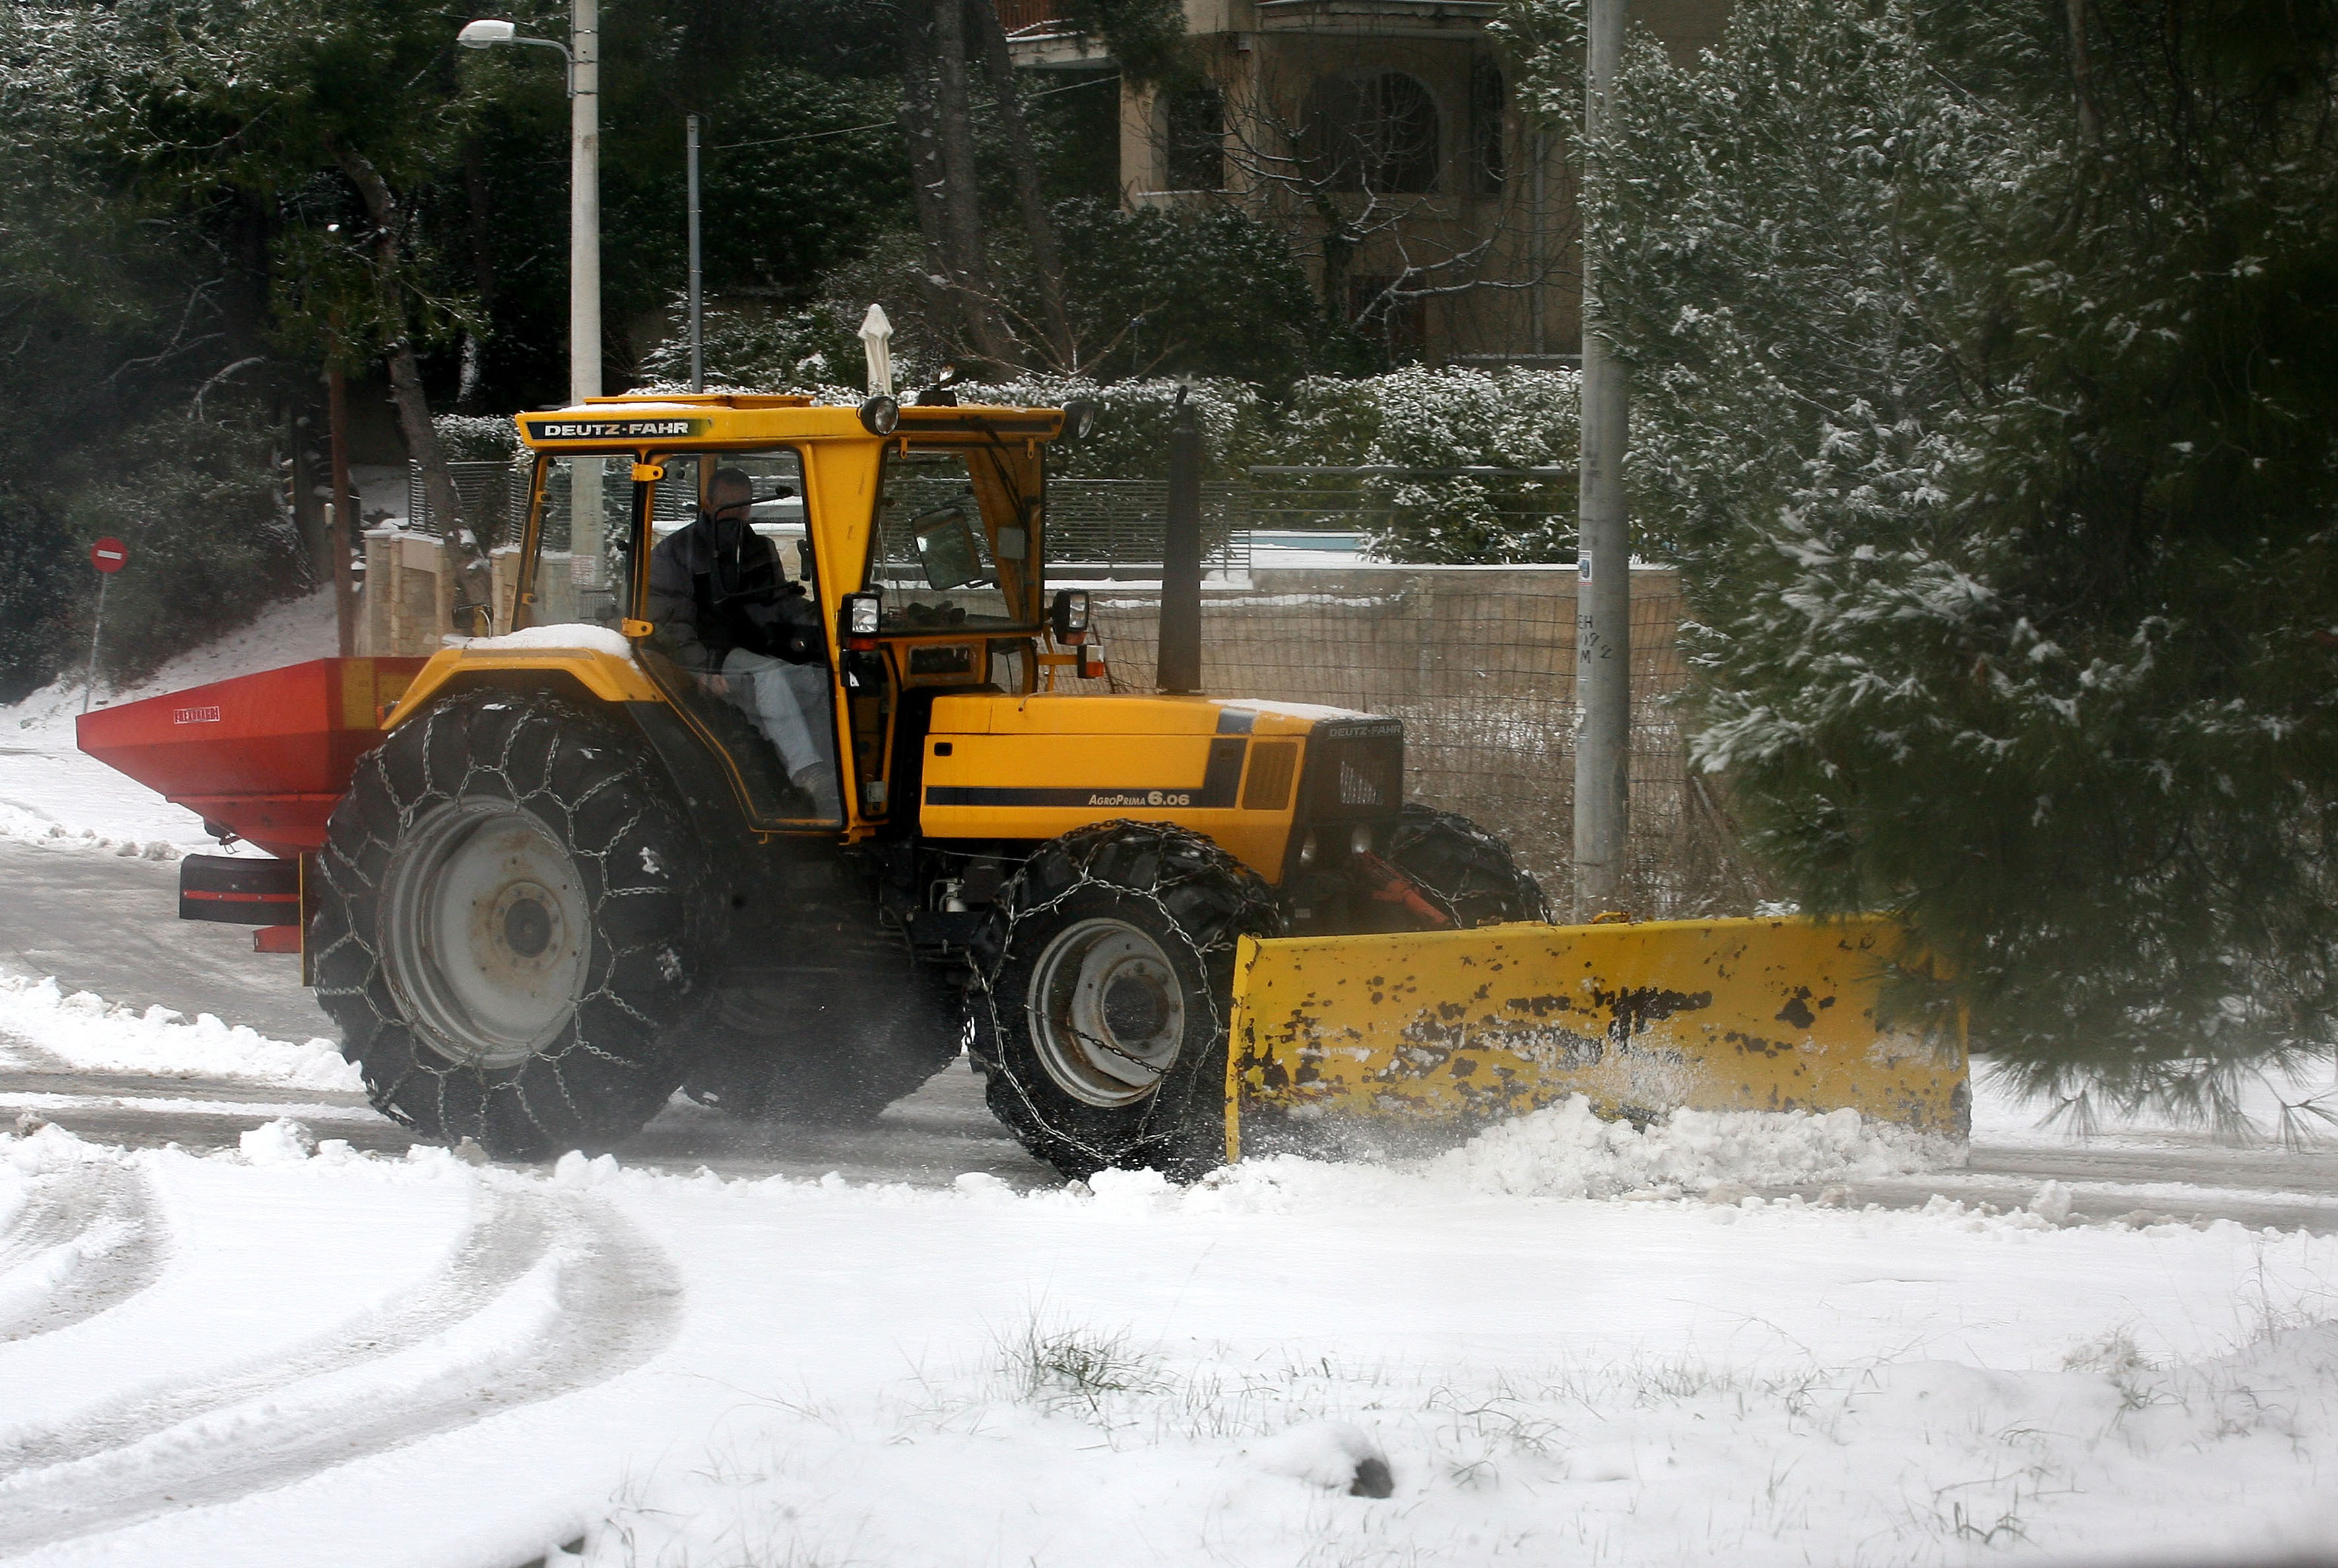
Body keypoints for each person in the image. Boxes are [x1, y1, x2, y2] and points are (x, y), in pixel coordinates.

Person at [646, 467, 841, 818]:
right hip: (709, 653)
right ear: (707, 504)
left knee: (823, 673)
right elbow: (669, 620)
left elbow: (781, 604)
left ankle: (839, 775)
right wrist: (703, 667)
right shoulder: (677, 552)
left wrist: (825, 628)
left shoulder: (758, 549)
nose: (737, 516)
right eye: (728, 508)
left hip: (755, 645)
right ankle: (806, 772)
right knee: (768, 674)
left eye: (743, 508)